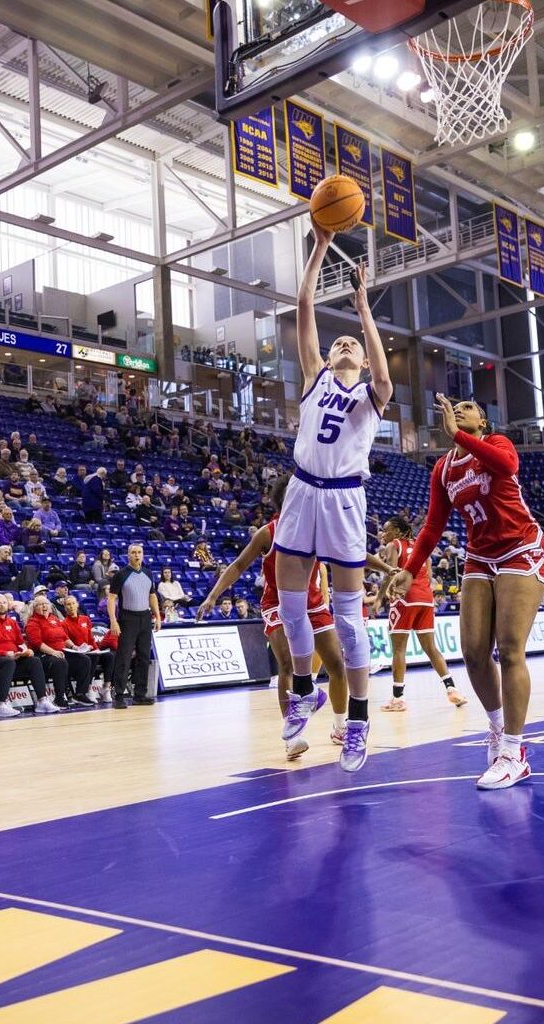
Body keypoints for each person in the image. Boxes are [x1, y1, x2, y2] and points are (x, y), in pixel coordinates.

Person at [272, 232, 392, 773]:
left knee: (346, 620)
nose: (341, 345)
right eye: (337, 342)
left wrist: (364, 307)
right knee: (291, 606)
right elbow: (303, 306)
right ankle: (303, 691)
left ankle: (359, 721)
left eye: (352, 346)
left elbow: (387, 377)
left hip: (344, 500)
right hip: (300, 491)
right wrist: (320, 245)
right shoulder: (315, 377)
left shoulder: (370, 395)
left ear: (362, 362)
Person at [388, 395, 544, 790]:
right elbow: (432, 527)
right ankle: (496, 728)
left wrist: (457, 433)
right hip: (479, 557)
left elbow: (508, 466)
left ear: (483, 421)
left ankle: (514, 750)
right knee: (474, 653)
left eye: (469, 407)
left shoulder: (497, 445)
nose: (460, 408)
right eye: (455, 408)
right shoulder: (443, 469)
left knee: (510, 649)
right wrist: (408, 571)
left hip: (520, 549)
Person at [199, 478, 351, 759]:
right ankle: (292, 736)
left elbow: (348, 553)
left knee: (336, 665)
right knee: (287, 664)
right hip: (277, 604)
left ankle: (341, 727)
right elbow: (239, 565)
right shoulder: (268, 533)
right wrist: (213, 596)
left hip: (314, 604)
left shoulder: (315, 529)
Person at [377, 516, 464, 711]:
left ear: (398, 532)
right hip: (425, 598)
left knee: (399, 650)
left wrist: (378, 598)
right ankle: (452, 689)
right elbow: (430, 576)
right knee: (431, 648)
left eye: (387, 530)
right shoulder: (420, 545)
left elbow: (391, 573)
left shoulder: (394, 545)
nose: (384, 534)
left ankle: (398, 699)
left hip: (404, 598)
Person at [0, 593, 47, 718]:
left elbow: (20, 643)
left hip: (14, 659)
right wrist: (5, 653)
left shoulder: (12, 623)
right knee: (8, 662)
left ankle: (42, 701)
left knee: (34, 661)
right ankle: (1, 704)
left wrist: (26, 650)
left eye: (4, 602)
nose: (2, 605)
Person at [106, 543, 162, 708]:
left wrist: (157, 616)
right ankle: (119, 695)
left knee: (144, 657)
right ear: (128, 555)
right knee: (124, 657)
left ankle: (140, 694)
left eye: (139, 552)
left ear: (143, 554)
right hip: (127, 618)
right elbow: (111, 598)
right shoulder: (121, 575)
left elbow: (152, 596)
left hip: (145, 617)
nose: (137, 555)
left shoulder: (148, 573)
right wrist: (113, 620)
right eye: (133, 552)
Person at [22, 595, 73, 712]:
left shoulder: (54, 618)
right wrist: (53, 652)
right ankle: (60, 698)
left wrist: (75, 647)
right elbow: (37, 643)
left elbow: (65, 637)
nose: (44, 606)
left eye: (46, 603)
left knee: (84, 659)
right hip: (42, 655)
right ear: (35, 608)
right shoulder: (32, 622)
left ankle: (81, 693)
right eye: (40, 604)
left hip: (60, 652)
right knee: (60, 662)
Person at [59, 595, 111, 703]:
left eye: (73, 603)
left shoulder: (85, 619)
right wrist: (78, 648)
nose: (71, 606)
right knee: (91, 658)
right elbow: (66, 641)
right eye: (68, 604)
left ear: (77, 604)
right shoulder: (63, 623)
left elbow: (90, 638)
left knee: (109, 656)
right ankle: (88, 689)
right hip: (76, 653)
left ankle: (106, 688)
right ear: (65, 608)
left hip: (89, 650)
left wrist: (96, 648)